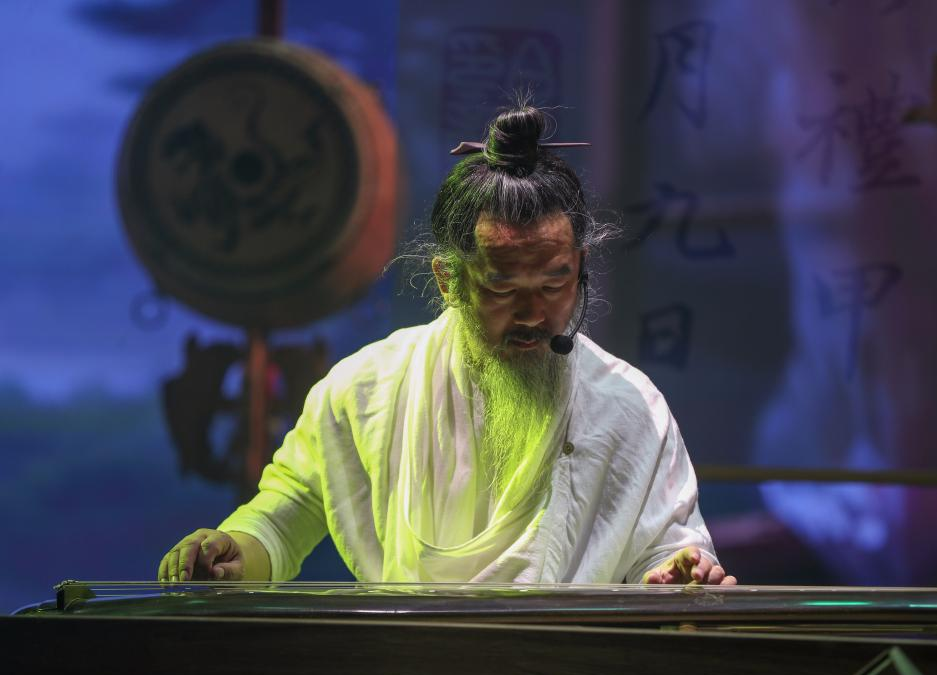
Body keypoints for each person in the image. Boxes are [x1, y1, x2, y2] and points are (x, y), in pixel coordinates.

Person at [158, 103, 737, 587]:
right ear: (447, 279)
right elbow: (288, 515)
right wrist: (235, 551)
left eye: (554, 283)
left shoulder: (630, 404)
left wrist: (678, 573)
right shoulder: (366, 388)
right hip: (409, 658)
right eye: (502, 287)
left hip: (566, 661)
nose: (533, 313)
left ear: (580, 266)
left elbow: (667, 551)